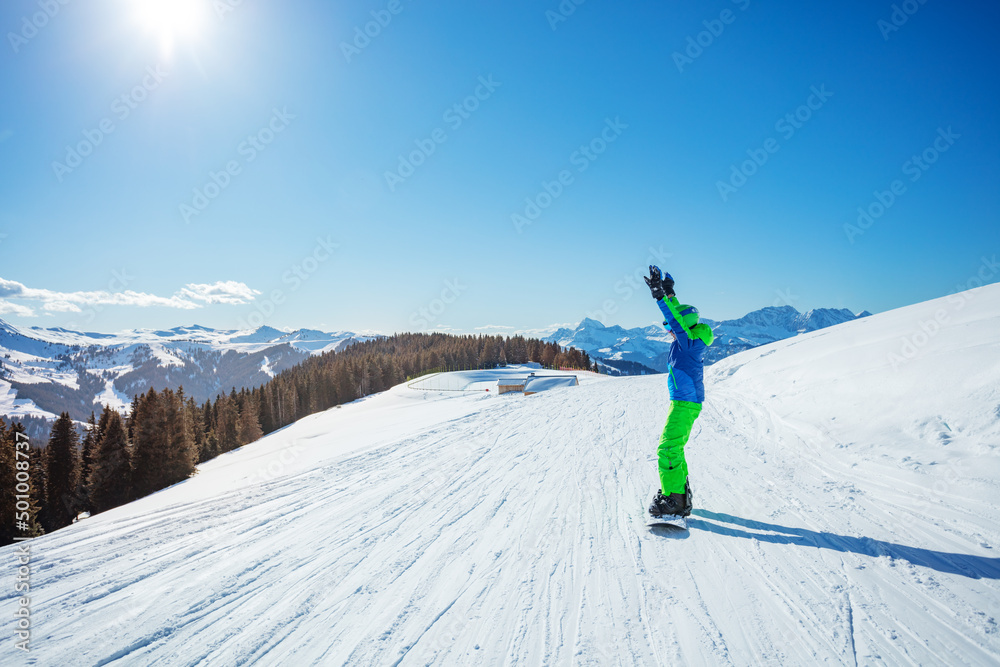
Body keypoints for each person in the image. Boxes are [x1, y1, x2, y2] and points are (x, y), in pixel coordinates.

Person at [643, 265, 714, 518]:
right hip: (685, 400)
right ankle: (679, 494)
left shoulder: (687, 342)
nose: (669, 331)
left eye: (670, 328)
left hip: (685, 401)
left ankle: (675, 500)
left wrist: (660, 297)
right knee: (674, 447)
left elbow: (677, 320)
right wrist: (671, 293)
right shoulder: (690, 340)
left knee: (668, 448)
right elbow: (680, 318)